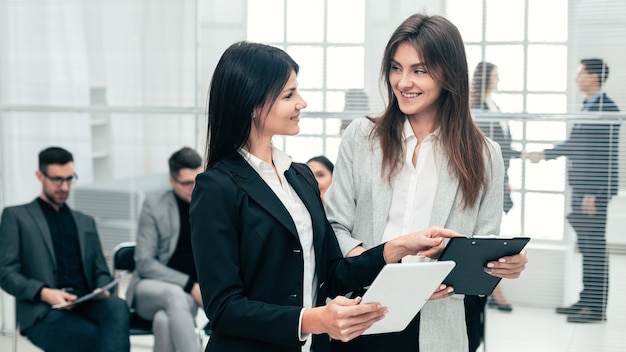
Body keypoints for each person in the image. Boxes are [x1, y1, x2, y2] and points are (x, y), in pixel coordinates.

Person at [189, 41, 463, 352]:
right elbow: (224, 309)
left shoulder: (301, 177)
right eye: (288, 95)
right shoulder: (216, 188)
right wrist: (313, 321)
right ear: (252, 104)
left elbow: (334, 274)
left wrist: (399, 246)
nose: (301, 103)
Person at [324, 14, 528, 352]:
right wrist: (374, 269)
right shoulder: (361, 137)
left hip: (438, 324)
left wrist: (503, 264)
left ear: (449, 73)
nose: (403, 82)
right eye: (395, 67)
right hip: (364, 311)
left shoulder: (484, 154)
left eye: (419, 70)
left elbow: (482, 242)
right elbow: (334, 226)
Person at [0, 146, 130, 352]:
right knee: (100, 337)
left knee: (118, 307)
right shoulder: (16, 217)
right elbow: (6, 273)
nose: (65, 187)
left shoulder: (85, 222)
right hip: (43, 310)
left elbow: (102, 273)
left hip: (86, 302)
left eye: (70, 179)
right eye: (57, 180)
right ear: (39, 176)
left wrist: (100, 289)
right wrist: (44, 292)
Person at [524, 58, 620, 323]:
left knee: (594, 250)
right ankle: (587, 300)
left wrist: (595, 193)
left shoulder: (605, 107)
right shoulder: (590, 105)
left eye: (581, 73)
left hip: (592, 191)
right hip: (584, 189)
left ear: (594, 76)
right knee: (587, 248)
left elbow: (604, 154)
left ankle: (596, 308)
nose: (576, 77)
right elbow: (579, 144)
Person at [125, 146, 204, 352]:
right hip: (149, 289)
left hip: (187, 299)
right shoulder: (154, 205)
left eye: (198, 179)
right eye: (186, 183)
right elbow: (144, 263)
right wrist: (189, 285)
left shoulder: (208, 205)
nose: (193, 187)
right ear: (172, 180)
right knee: (174, 295)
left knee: (163, 321)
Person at [465, 61, 517, 352]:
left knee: (492, 235)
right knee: (486, 241)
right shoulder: (478, 109)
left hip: (499, 176)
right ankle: (496, 293)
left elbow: (503, 145)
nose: (498, 79)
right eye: (496, 75)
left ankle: (494, 291)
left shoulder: (491, 104)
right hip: (487, 180)